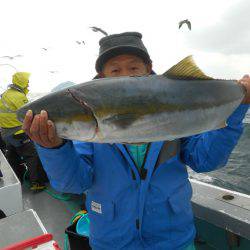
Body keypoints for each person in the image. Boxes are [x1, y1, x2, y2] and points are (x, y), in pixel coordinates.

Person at [22, 32, 250, 249]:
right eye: (115, 70)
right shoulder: (86, 135)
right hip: (112, 243)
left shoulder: (173, 106)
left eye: (133, 67)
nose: (125, 75)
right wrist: (54, 148)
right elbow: (73, 184)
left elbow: (206, 161)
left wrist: (239, 107)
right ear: (102, 78)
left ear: (148, 69)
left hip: (174, 241)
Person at [0, 72, 48, 191]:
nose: (28, 83)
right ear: (21, 82)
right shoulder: (19, 97)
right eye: (27, 81)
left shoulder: (6, 94)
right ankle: (37, 183)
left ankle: (18, 179)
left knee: (13, 157)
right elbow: (29, 114)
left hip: (7, 134)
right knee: (32, 156)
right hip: (19, 133)